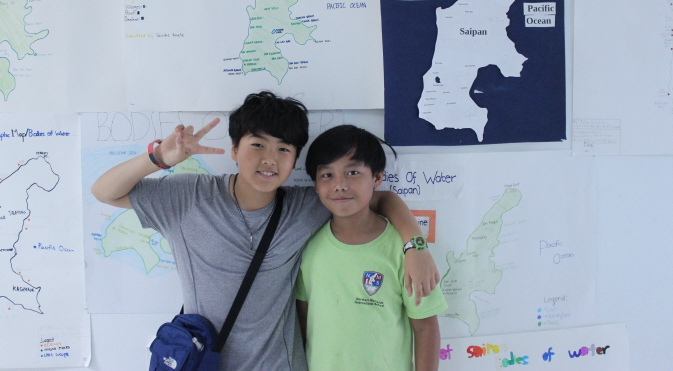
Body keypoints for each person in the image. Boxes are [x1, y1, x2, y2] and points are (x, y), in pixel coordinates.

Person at [91, 91, 439, 371]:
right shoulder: (189, 197)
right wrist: (158, 159)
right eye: (257, 145)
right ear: (234, 149)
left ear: (294, 159)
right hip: (207, 363)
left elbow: (378, 198)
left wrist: (416, 247)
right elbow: (104, 192)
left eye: (283, 149)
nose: (270, 159)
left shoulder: (306, 205)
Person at [296, 124, 447, 371]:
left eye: (353, 172)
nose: (339, 185)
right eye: (327, 175)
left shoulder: (403, 250)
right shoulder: (309, 247)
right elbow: (302, 319)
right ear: (315, 183)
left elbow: (425, 326)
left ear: (377, 178)